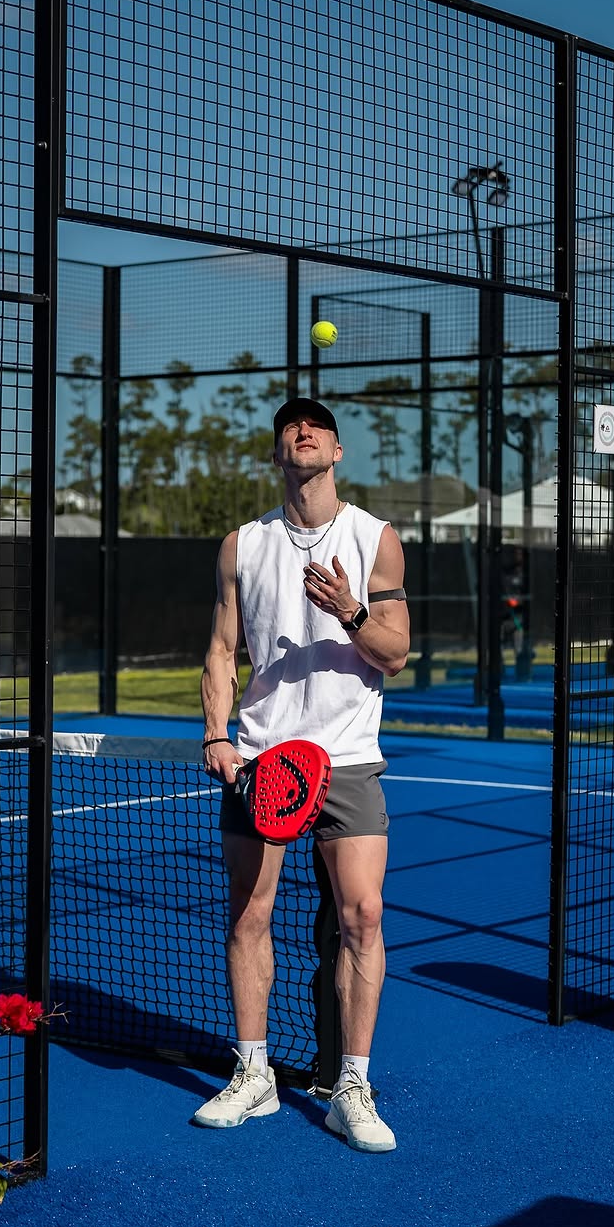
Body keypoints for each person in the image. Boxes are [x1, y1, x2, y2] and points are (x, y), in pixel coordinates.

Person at [193, 396, 410, 1153]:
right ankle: (253, 1075)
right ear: (278, 452)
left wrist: (350, 609)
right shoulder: (242, 546)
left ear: (337, 451)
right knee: (248, 917)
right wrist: (216, 734)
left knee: (363, 918)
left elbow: (395, 653)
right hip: (263, 760)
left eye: (316, 426)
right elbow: (222, 649)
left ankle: (352, 1087)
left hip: (347, 758)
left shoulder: (375, 539)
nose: (303, 431)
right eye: (291, 426)